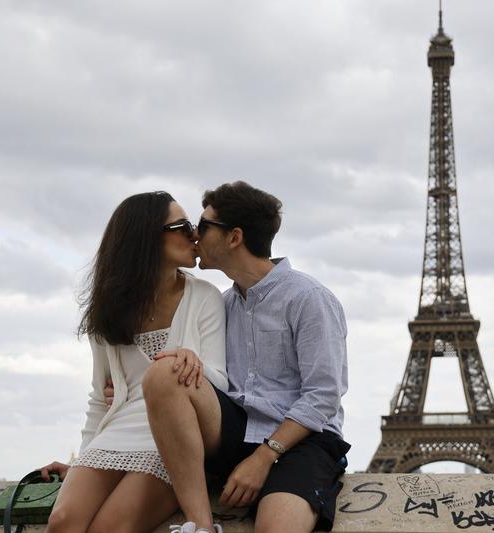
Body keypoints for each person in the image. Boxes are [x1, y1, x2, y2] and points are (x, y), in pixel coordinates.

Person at [140, 181, 350, 533]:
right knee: (167, 371)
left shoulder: (309, 298)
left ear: (234, 237)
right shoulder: (221, 305)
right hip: (237, 428)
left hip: (302, 440)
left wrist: (264, 457)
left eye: (203, 226)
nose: (194, 234)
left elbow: (323, 396)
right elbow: (189, 383)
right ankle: (200, 527)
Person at [40, 191, 229, 533]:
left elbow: (221, 384)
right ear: (146, 237)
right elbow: (100, 399)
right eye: (182, 226)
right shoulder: (107, 312)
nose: (194, 234)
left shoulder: (204, 298)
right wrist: (82, 459)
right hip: (119, 430)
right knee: (62, 522)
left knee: (109, 528)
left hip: (174, 433)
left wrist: (192, 363)